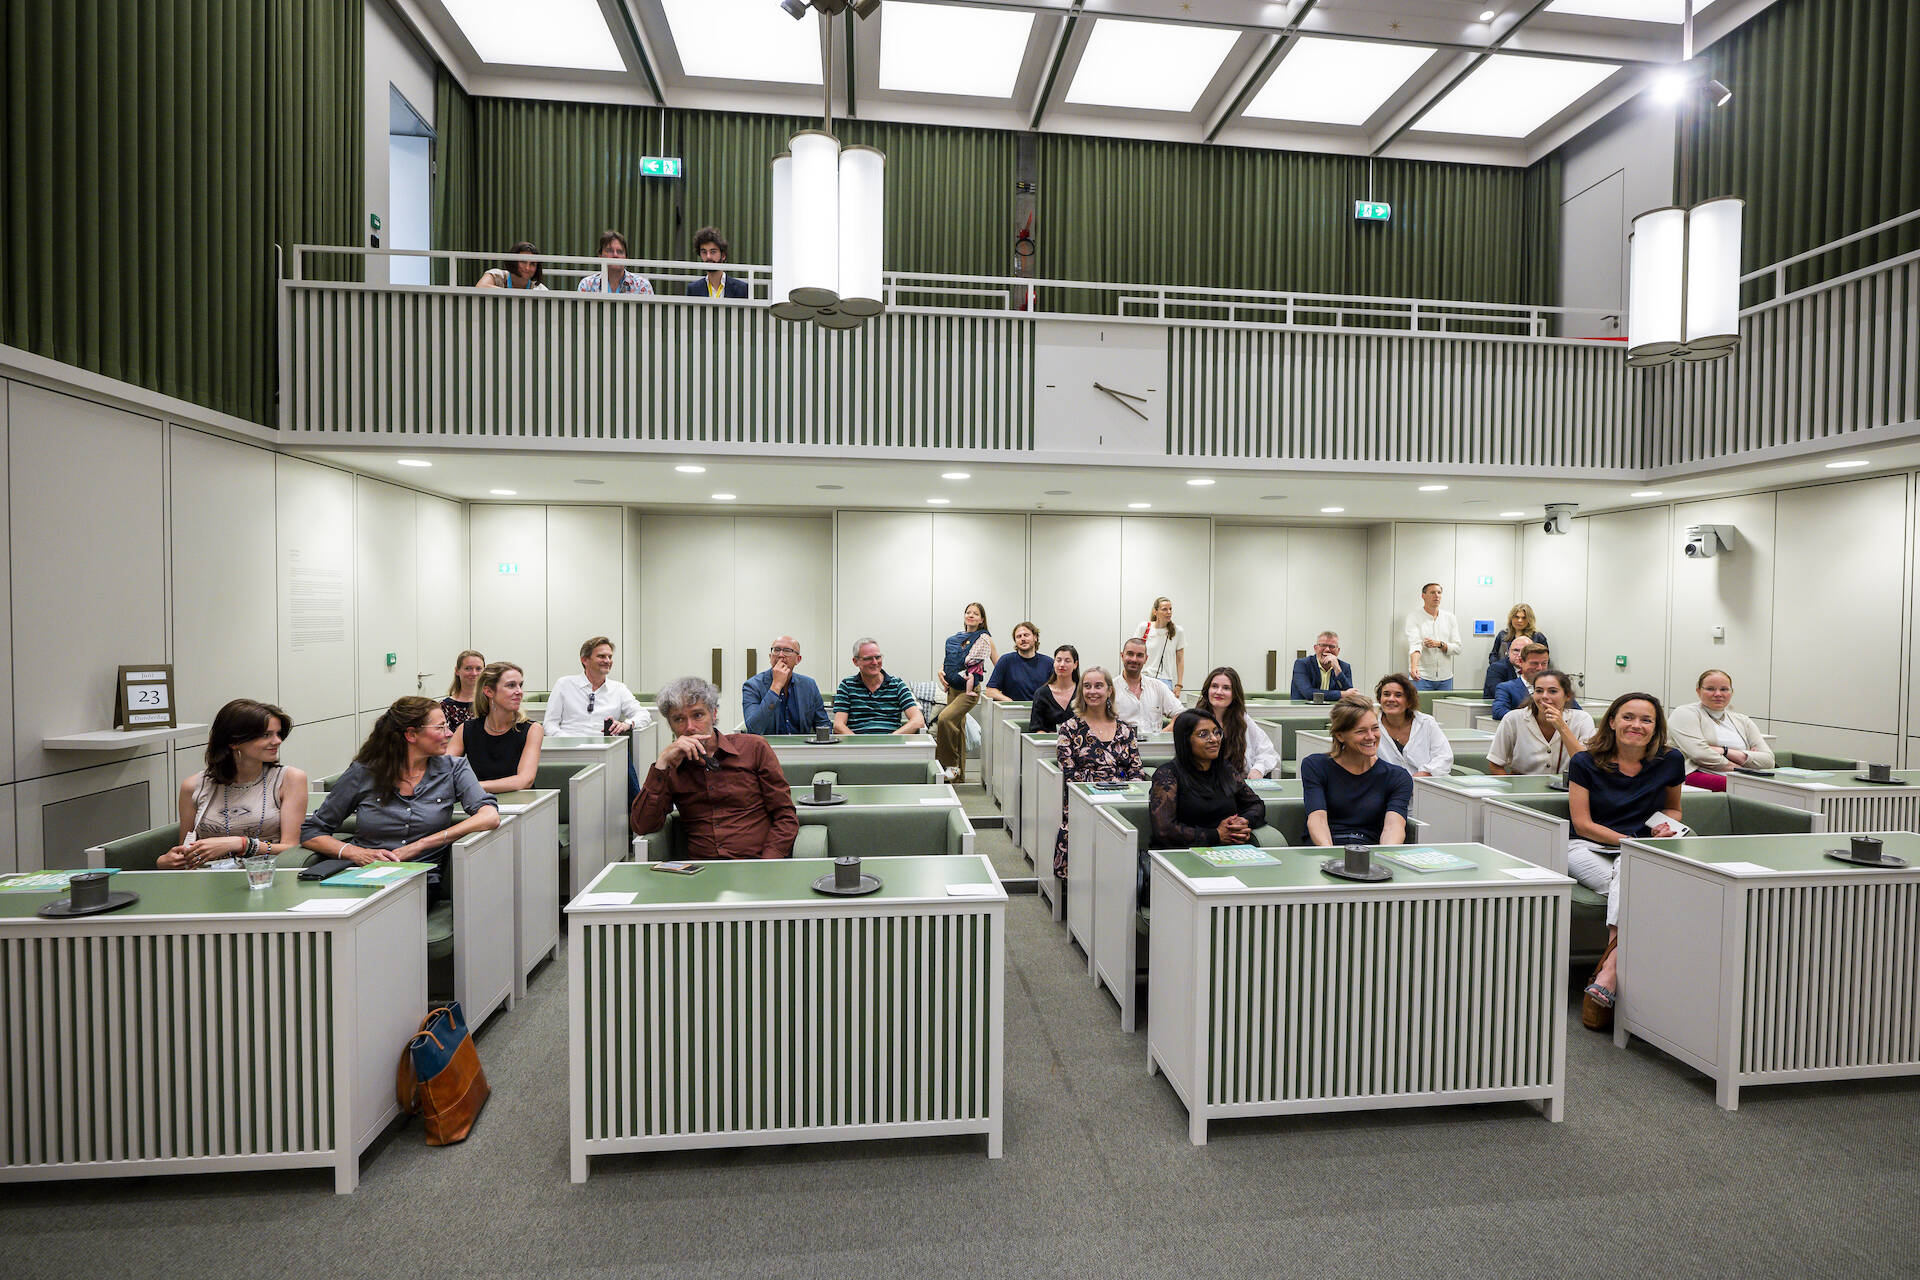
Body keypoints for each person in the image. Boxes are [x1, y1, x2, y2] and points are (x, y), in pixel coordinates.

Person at [301, 697, 500, 900]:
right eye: (440, 727)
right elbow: (312, 832)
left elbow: (489, 816)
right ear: (411, 734)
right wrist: (357, 853)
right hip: (360, 877)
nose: (449, 733)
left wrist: (421, 844)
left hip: (417, 884)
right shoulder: (364, 772)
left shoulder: (454, 768)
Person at [1567, 693, 1687, 1031]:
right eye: (1628, 717)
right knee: (1636, 879)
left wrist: (1665, 827)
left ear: (1656, 727)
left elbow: (1674, 809)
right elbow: (1582, 824)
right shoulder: (1585, 761)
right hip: (1586, 847)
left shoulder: (1670, 760)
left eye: (1646, 720)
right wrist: (1629, 842)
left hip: (1639, 852)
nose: (1637, 725)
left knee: (1628, 869)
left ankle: (1608, 972)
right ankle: (1620, 971)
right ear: (1612, 721)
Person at [630, 677, 798, 860]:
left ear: (714, 713)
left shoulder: (754, 748)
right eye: (678, 719)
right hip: (703, 869)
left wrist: (768, 863)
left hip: (754, 862)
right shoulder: (672, 767)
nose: (690, 727)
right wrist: (662, 763)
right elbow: (642, 825)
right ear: (670, 725)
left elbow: (785, 816)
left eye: (698, 715)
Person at [159, 699, 308, 869]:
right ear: (234, 742)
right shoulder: (194, 786)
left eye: (278, 734)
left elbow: (291, 848)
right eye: (266, 735)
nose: (277, 741)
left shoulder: (290, 779)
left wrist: (242, 844)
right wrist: (169, 860)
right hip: (208, 877)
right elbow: (186, 850)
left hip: (263, 874)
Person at [1052, 666, 1140, 882]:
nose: (1092, 691)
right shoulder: (1069, 729)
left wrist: (1124, 794)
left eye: (1098, 686)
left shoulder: (1125, 730)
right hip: (1084, 803)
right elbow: (1069, 775)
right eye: (1087, 686)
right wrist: (1104, 790)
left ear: (1109, 690)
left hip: (1121, 803)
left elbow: (1136, 771)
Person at [1147, 709, 1266, 869]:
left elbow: (1255, 804)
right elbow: (1164, 830)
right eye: (1203, 734)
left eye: (1217, 733)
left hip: (1228, 855)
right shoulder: (1167, 775)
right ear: (1185, 740)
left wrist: (1243, 822)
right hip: (1182, 858)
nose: (1214, 739)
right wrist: (1216, 835)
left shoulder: (1225, 770)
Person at [1301, 691, 1413, 847]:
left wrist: (1383, 855)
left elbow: (1393, 827)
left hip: (1368, 851)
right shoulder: (1315, 766)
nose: (1371, 737)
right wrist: (1330, 854)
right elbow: (1317, 819)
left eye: (1375, 728)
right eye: (1361, 731)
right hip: (1324, 850)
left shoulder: (1397, 777)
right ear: (1340, 735)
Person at [1667, 669, 1776, 791]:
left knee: (1772, 788)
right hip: (1695, 773)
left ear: (1731, 692)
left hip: (1738, 775)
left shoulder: (1743, 720)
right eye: (1710, 689)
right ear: (1698, 691)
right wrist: (1743, 764)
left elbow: (1769, 761)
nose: (1718, 694)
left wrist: (1724, 751)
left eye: (1724, 689)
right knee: (1753, 788)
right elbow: (1700, 755)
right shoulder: (1684, 713)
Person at [451, 661, 545, 793]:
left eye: (520, 685)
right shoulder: (466, 729)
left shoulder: (532, 729)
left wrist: (472, 786)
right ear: (489, 691)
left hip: (520, 803)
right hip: (479, 802)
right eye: (511, 685)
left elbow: (525, 780)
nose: (519, 691)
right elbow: (444, 770)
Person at [1486, 668, 1595, 776]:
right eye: (1539, 691)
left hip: (1567, 786)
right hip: (1523, 785)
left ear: (1567, 696)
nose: (1544, 696)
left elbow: (1587, 765)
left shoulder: (1582, 719)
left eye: (1552, 691)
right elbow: (1495, 764)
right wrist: (1512, 786)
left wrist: (1562, 727)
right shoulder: (1513, 719)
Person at [544, 636, 653, 737]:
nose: (607, 661)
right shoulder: (564, 684)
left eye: (610, 657)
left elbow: (644, 715)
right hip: (569, 746)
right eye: (601, 656)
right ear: (584, 660)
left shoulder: (619, 689)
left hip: (606, 747)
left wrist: (627, 724)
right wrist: (567, 741)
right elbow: (549, 724)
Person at [933, 603, 995, 780]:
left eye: (976, 613)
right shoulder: (955, 639)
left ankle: (948, 764)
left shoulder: (984, 639)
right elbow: (951, 661)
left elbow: (998, 664)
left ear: (981, 619)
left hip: (969, 691)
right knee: (958, 729)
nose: (971, 615)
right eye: (968, 612)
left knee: (944, 719)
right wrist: (940, 671)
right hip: (952, 688)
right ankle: (958, 778)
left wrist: (998, 686)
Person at [741, 635, 831, 736]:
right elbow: (754, 729)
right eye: (776, 650)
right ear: (770, 657)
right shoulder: (752, 686)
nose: (780, 655)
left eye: (787, 650)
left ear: (798, 659)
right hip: (767, 745)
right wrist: (776, 686)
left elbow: (823, 724)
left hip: (801, 745)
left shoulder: (809, 686)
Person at [834, 638, 926, 735]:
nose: (875, 662)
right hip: (858, 743)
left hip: (892, 743)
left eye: (878, 657)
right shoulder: (847, 686)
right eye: (868, 658)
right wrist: (858, 742)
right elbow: (838, 725)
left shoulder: (897, 685)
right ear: (855, 661)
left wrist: (891, 739)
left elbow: (918, 720)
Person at [1202, 666, 1278, 779]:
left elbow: (1268, 752)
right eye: (1214, 686)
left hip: (1236, 783)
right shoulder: (1195, 719)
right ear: (1207, 690)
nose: (1219, 692)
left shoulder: (1243, 720)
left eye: (1226, 688)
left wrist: (1258, 769)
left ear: (1234, 694)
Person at [1373, 673, 1453, 777]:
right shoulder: (1372, 726)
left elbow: (1444, 757)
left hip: (1426, 782)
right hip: (1388, 784)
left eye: (1398, 695)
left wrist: (1424, 774)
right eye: (1386, 694)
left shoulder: (1427, 722)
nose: (1391, 699)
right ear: (1380, 699)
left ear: (1409, 701)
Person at [1115, 635, 1181, 737]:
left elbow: (1182, 714)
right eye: (1130, 654)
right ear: (1122, 656)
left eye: (1139, 655)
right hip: (1122, 746)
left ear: (1146, 659)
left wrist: (1161, 736)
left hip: (1154, 746)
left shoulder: (1158, 687)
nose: (1134, 659)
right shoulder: (1110, 689)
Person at [1491, 642, 1577, 719]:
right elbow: (1498, 712)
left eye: (1544, 663)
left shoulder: (1557, 686)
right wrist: (1535, 718)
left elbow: (1576, 711)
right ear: (1521, 662)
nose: (1539, 668)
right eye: (1534, 663)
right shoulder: (1506, 688)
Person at [1404, 582, 1462, 691]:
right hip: (1421, 677)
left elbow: (1458, 648)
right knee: (1418, 703)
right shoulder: (1414, 617)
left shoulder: (1450, 618)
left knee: (1445, 704)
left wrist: (1440, 644)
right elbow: (1415, 645)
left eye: (1439, 593)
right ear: (1423, 596)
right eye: (1432, 592)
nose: (1436, 596)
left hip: (1445, 678)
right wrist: (1414, 667)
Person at [1483, 604, 1547, 698]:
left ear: (1529, 619)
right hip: (1506, 672)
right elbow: (1494, 654)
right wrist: (1498, 666)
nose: (1519, 620)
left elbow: (1545, 658)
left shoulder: (1537, 637)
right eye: (1516, 617)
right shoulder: (1503, 635)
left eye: (1524, 618)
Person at [984, 621, 1054, 703]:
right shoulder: (1006, 661)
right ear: (1015, 641)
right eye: (1018, 636)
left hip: (1041, 710)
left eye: (1026, 635)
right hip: (1013, 709)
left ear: (1035, 637)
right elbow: (990, 691)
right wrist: (1010, 702)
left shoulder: (1048, 663)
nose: (1023, 639)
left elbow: (1059, 690)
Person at [1135, 596, 1186, 698]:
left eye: (1170, 609)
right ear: (1155, 612)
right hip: (1143, 678)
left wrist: (1179, 685)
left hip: (1165, 681)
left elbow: (1180, 660)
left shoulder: (1178, 631)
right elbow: (1134, 653)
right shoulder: (1144, 628)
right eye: (1164, 609)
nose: (1169, 612)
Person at [576, 229, 654, 295]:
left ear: (626, 257)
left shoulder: (642, 285)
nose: (615, 255)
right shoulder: (587, 285)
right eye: (609, 251)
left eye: (620, 251)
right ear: (600, 255)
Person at [1028, 644, 1081, 732]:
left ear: (1075, 664)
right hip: (1048, 740)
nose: (1062, 664)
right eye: (1058, 660)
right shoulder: (1041, 693)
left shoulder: (1083, 692)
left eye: (1067, 661)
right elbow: (1036, 728)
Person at [685, 226, 748, 298]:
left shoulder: (741, 289)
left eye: (713, 252)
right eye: (704, 252)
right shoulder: (693, 289)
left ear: (723, 255)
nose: (708, 256)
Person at [1289, 631, 1353, 701]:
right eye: (1323, 645)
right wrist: (1341, 694)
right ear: (1315, 648)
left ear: (1338, 650)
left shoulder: (1344, 667)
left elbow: (1351, 694)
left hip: (1334, 708)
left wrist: (1338, 670)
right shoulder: (1302, 664)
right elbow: (1308, 693)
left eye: (1332, 646)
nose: (1327, 649)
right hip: (1304, 707)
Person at [441, 648, 486, 735]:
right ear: (457, 671)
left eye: (478, 668)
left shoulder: (491, 702)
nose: (474, 673)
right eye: (468, 668)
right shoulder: (445, 707)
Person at [474, 242, 547, 290]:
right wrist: (511, 294)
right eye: (523, 262)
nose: (527, 268)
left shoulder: (539, 289)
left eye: (532, 264)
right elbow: (480, 287)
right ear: (513, 261)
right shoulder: (497, 275)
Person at [1483, 635, 1532, 707]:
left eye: (1525, 651)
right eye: (1516, 650)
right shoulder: (1496, 668)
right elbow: (1503, 696)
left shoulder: (1537, 669)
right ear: (1508, 652)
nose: (1520, 655)